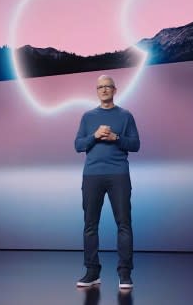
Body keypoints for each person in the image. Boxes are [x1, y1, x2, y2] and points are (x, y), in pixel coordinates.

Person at [74, 74, 140, 290]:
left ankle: (125, 273)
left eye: (108, 86)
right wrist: (94, 136)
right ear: (97, 91)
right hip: (92, 175)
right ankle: (92, 272)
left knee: (124, 224)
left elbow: (136, 144)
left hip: (118, 174)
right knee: (90, 225)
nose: (104, 90)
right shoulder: (87, 117)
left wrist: (116, 138)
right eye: (100, 87)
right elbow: (78, 145)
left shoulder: (126, 116)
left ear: (115, 90)